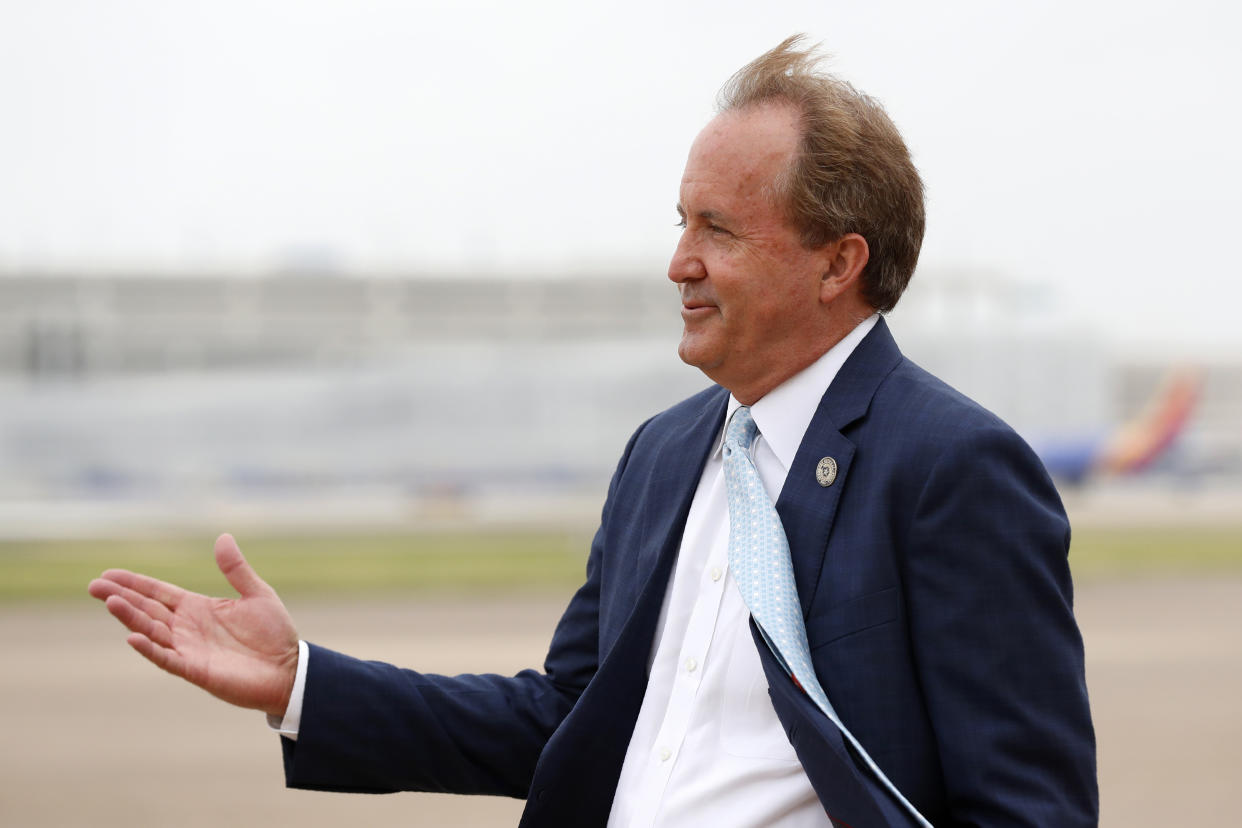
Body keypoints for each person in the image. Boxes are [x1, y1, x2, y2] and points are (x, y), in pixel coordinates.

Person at [89, 36, 1098, 827]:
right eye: (680, 221)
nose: (678, 264)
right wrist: (304, 681)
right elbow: (566, 721)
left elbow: (1030, 811)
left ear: (837, 265)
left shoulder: (953, 468)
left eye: (718, 229)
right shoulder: (664, 454)